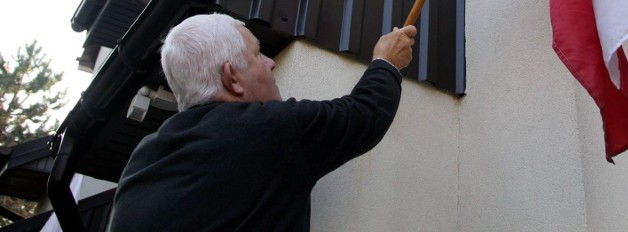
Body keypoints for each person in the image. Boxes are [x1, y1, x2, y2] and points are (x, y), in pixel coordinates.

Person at [109, 13, 416, 232]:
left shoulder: (144, 158)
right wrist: (386, 62)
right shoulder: (264, 129)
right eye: (257, 53)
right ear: (232, 78)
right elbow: (364, 115)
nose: (270, 62)